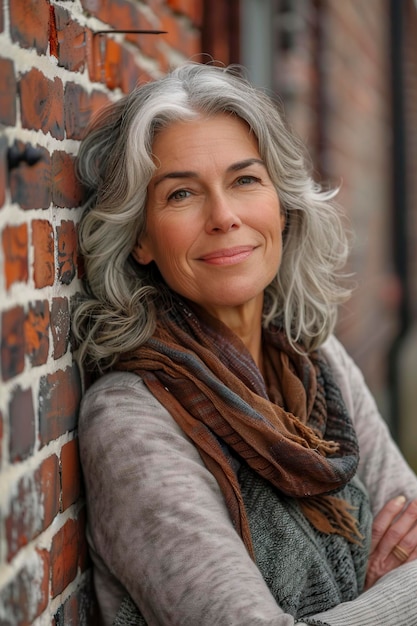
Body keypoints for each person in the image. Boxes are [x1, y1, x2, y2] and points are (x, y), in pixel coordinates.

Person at [74, 62, 417, 626]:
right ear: (140, 238)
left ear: (281, 206)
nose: (224, 216)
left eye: (245, 180)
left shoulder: (318, 363)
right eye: (181, 193)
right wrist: (392, 597)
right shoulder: (132, 419)